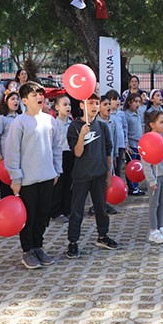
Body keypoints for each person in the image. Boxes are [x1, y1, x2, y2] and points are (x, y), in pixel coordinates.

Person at [5, 81, 63, 270]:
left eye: (41, 94)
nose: (39, 97)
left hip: (47, 177)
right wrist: (16, 178)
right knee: (28, 217)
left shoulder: (49, 120)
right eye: (34, 95)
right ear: (24, 100)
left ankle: (38, 246)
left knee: (43, 215)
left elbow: (56, 148)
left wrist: (57, 170)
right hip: (27, 181)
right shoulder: (19, 123)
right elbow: (12, 152)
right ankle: (27, 250)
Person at [65, 93, 119, 259]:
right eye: (90, 103)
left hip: (99, 175)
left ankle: (102, 236)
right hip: (82, 176)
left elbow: (108, 151)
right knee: (77, 211)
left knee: (101, 208)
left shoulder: (103, 126)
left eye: (97, 103)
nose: (94, 106)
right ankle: (73, 243)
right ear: (82, 105)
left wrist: (108, 174)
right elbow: (77, 152)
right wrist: (82, 135)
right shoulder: (74, 126)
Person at [142, 110, 163, 244]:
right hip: (154, 178)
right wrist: (151, 180)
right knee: (153, 204)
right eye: (161, 122)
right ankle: (153, 230)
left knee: (162, 203)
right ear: (152, 125)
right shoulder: (148, 140)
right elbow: (146, 164)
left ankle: (161, 227)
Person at [0, 91, 22, 199]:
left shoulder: (20, 117)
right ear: (6, 102)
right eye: (12, 99)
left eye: (17, 99)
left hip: (19, 157)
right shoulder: (1, 118)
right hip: (5, 157)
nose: (16, 101)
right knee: (6, 188)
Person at [50, 95, 73, 219]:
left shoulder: (72, 123)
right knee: (59, 183)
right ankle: (56, 211)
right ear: (57, 107)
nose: (68, 107)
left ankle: (67, 209)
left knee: (69, 183)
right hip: (59, 155)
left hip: (70, 154)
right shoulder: (54, 123)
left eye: (69, 104)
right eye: (64, 105)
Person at [122, 93, 144, 196]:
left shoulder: (138, 114)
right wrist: (127, 144)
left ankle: (136, 186)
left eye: (139, 102)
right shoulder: (126, 115)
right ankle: (131, 187)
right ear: (129, 102)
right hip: (131, 144)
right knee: (131, 166)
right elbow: (125, 130)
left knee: (138, 166)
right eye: (135, 101)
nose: (137, 104)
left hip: (139, 144)